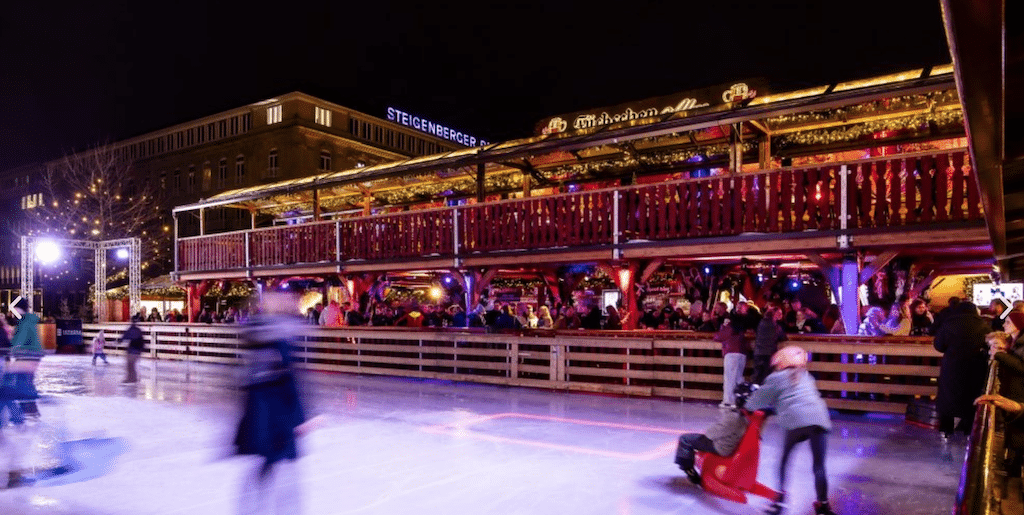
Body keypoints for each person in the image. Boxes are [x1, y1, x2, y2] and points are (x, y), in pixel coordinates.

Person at [234, 291, 316, 515]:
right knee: (282, 466)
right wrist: (301, 417)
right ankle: (283, 509)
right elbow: (291, 378)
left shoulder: (256, 333)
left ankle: (251, 508)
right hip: (277, 412)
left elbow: (244, 376)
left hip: (258, 409)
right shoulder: (281, 336)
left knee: (268, 463)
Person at [745, 346, 837, 515]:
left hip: (796, 420)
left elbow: (753, 403)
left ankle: (780, 501)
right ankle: (823, 505)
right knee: (819, 466)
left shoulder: (776, 378)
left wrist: (747, 404)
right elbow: (797, 398)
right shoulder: (806, 376)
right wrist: (774, 408)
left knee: (784, 460)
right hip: (819, 419)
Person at [674, 382, 756, 485]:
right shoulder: (748, 416)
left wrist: (711, 429)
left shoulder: (735, 418)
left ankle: (689, 472)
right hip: (729, 443)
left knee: (685, 439)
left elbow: (710, 434)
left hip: (721, 447)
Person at [933, 301, 989, 439]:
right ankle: (968, 429)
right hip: (975, 365)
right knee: (971, 395)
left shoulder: (949, 323)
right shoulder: (983, 324)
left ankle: (947, 428)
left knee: (949, 395)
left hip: (952, 365)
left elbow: (939, 345)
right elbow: (988, 344)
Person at [6, 297, 43, 419]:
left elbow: (21, 338)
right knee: (25, 380)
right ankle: (30, 409)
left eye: (14, 308)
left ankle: (28, 409)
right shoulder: (27, 320)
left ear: (19, 308)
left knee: (23, 380)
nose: (13, 312)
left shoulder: (24, 321)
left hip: (28, 353)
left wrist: (12, 349)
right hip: (31, 353)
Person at [715, 315, 751, 408]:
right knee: (738, 378)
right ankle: (739, 400)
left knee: (729, 378)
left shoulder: (729, 328)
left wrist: (723, 326)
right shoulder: (741, 330)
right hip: (742, 354)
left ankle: (729, 401)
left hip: (731, 353)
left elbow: (718, 337)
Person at [753, 306, 786, 384]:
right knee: (767, 377)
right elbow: (782, 337)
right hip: (768, 354)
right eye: (779, 314)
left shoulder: (761, 323)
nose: (780, 315)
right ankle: (765, 394)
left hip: (758, 352)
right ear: (775, 315)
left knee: (757, 377)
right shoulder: (775, 326)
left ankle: (756, 394)